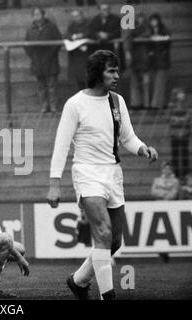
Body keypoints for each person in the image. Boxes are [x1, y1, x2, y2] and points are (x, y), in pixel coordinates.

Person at [46, 50, 158, 300]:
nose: (117, 75)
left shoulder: (117, 101)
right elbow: (61, 146)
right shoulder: (75, 104)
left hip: (113, 174)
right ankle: (108, 296)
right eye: (111, 71)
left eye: (117, 70)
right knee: (103, 233)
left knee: (114, 242)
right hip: (87, 173)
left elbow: (127, 137)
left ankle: (78, 281)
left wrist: (143, 148)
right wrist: (54, 183)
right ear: (97, 73)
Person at [24, 7, 62, 113]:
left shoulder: (52, 27)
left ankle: (53, 106)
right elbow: (26, 45)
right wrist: (33, 56)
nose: (37, 16)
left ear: (43, 15)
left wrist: (51, 54)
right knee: (41, 86)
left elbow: (58, 41)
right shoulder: (30, 29)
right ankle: (44, 106)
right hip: (37, 61)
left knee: (52, 86)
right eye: (35, 14)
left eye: (38, 14)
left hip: (50, 60)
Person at [124, 12, 151, 109]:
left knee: (145, 82)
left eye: (142, 18)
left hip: (145, 59)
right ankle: (136, 104)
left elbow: (148, 34)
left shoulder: (148, 27)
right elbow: (128, 38)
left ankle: (146, 104)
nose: (141, 20)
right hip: (135, 59)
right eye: (139, 18)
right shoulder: (132, 30)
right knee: (134, 82)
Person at [148, 13, 171, 109]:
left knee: (160, 83)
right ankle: (158, 104)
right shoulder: (149, 30)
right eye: (152, 20)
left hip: (162, 61)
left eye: (155, 20)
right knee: (155, 83)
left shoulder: (164, 29)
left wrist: (158, 38)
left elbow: (168, 38)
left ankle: (156, 104)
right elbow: (148, 39)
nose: (153, 22)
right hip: (153, 62)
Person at [168, 88, 190, 180]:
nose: (182, 95)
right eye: (181, 93)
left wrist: (179, 120)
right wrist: (180, 120)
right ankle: (176, 173)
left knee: (185, 153)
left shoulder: (186, 105)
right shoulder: (171, 106)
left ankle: (185, 173)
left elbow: (188, 117)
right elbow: (170, 118)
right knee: (175, 154)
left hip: (185, 132)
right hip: (174, 133)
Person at [65, 9, 89, 90]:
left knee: (89, 82)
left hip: (87, 56)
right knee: (79, 83)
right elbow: (66, 35)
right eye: (74, 17)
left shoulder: (88, 24)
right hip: (76, 58)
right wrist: (74, 36)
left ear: (82, 15)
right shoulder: (71, 26)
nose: (77, 18)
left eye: (78, 16)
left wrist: (82, 36)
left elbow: (91, 33)